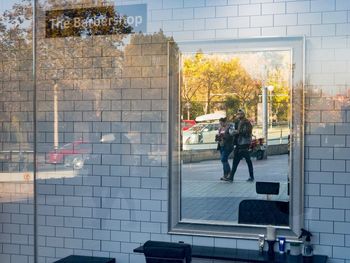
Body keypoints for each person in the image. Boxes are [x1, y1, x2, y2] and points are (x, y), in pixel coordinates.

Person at [222, 109, 254, 182]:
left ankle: (251, 176)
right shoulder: (237, 122)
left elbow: (247, 132)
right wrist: (233, 132)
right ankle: (231, 177)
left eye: (240, 114)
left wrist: (237, 132)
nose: (238, 115)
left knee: (248, 161)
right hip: (239, 144)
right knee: (235, 162)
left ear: (243, 114)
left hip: (244, 144)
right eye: (238, 114)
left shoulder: (246, 122)